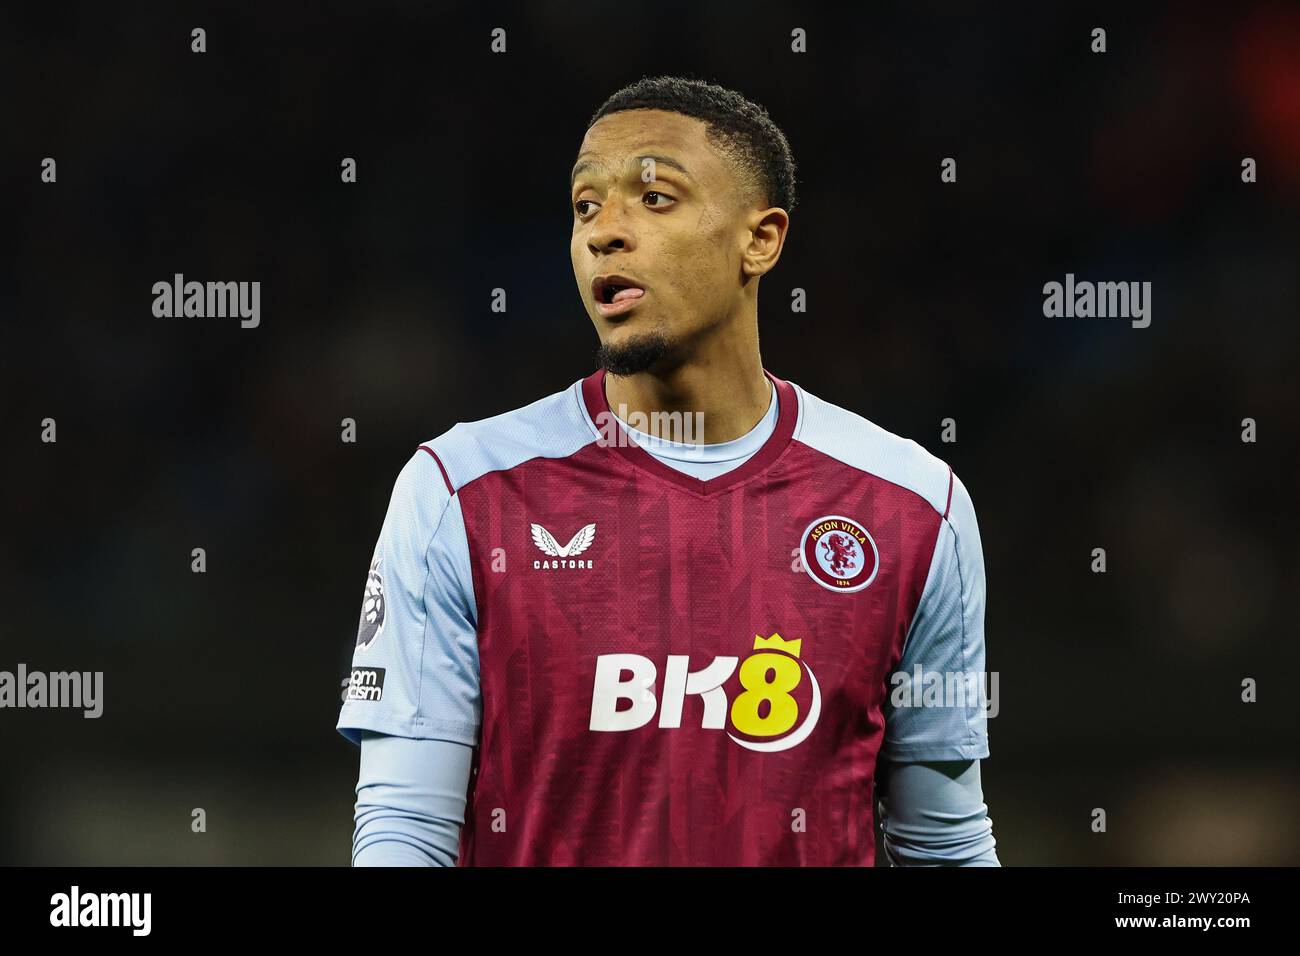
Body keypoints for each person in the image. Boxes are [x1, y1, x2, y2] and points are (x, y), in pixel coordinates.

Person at [337, 75, 998, 866]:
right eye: (585, 205)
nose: (603, 232)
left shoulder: (914, 509)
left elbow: (944, 842)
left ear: (762, 238)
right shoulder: (460, 492)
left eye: (654, 198)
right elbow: (405, 833)